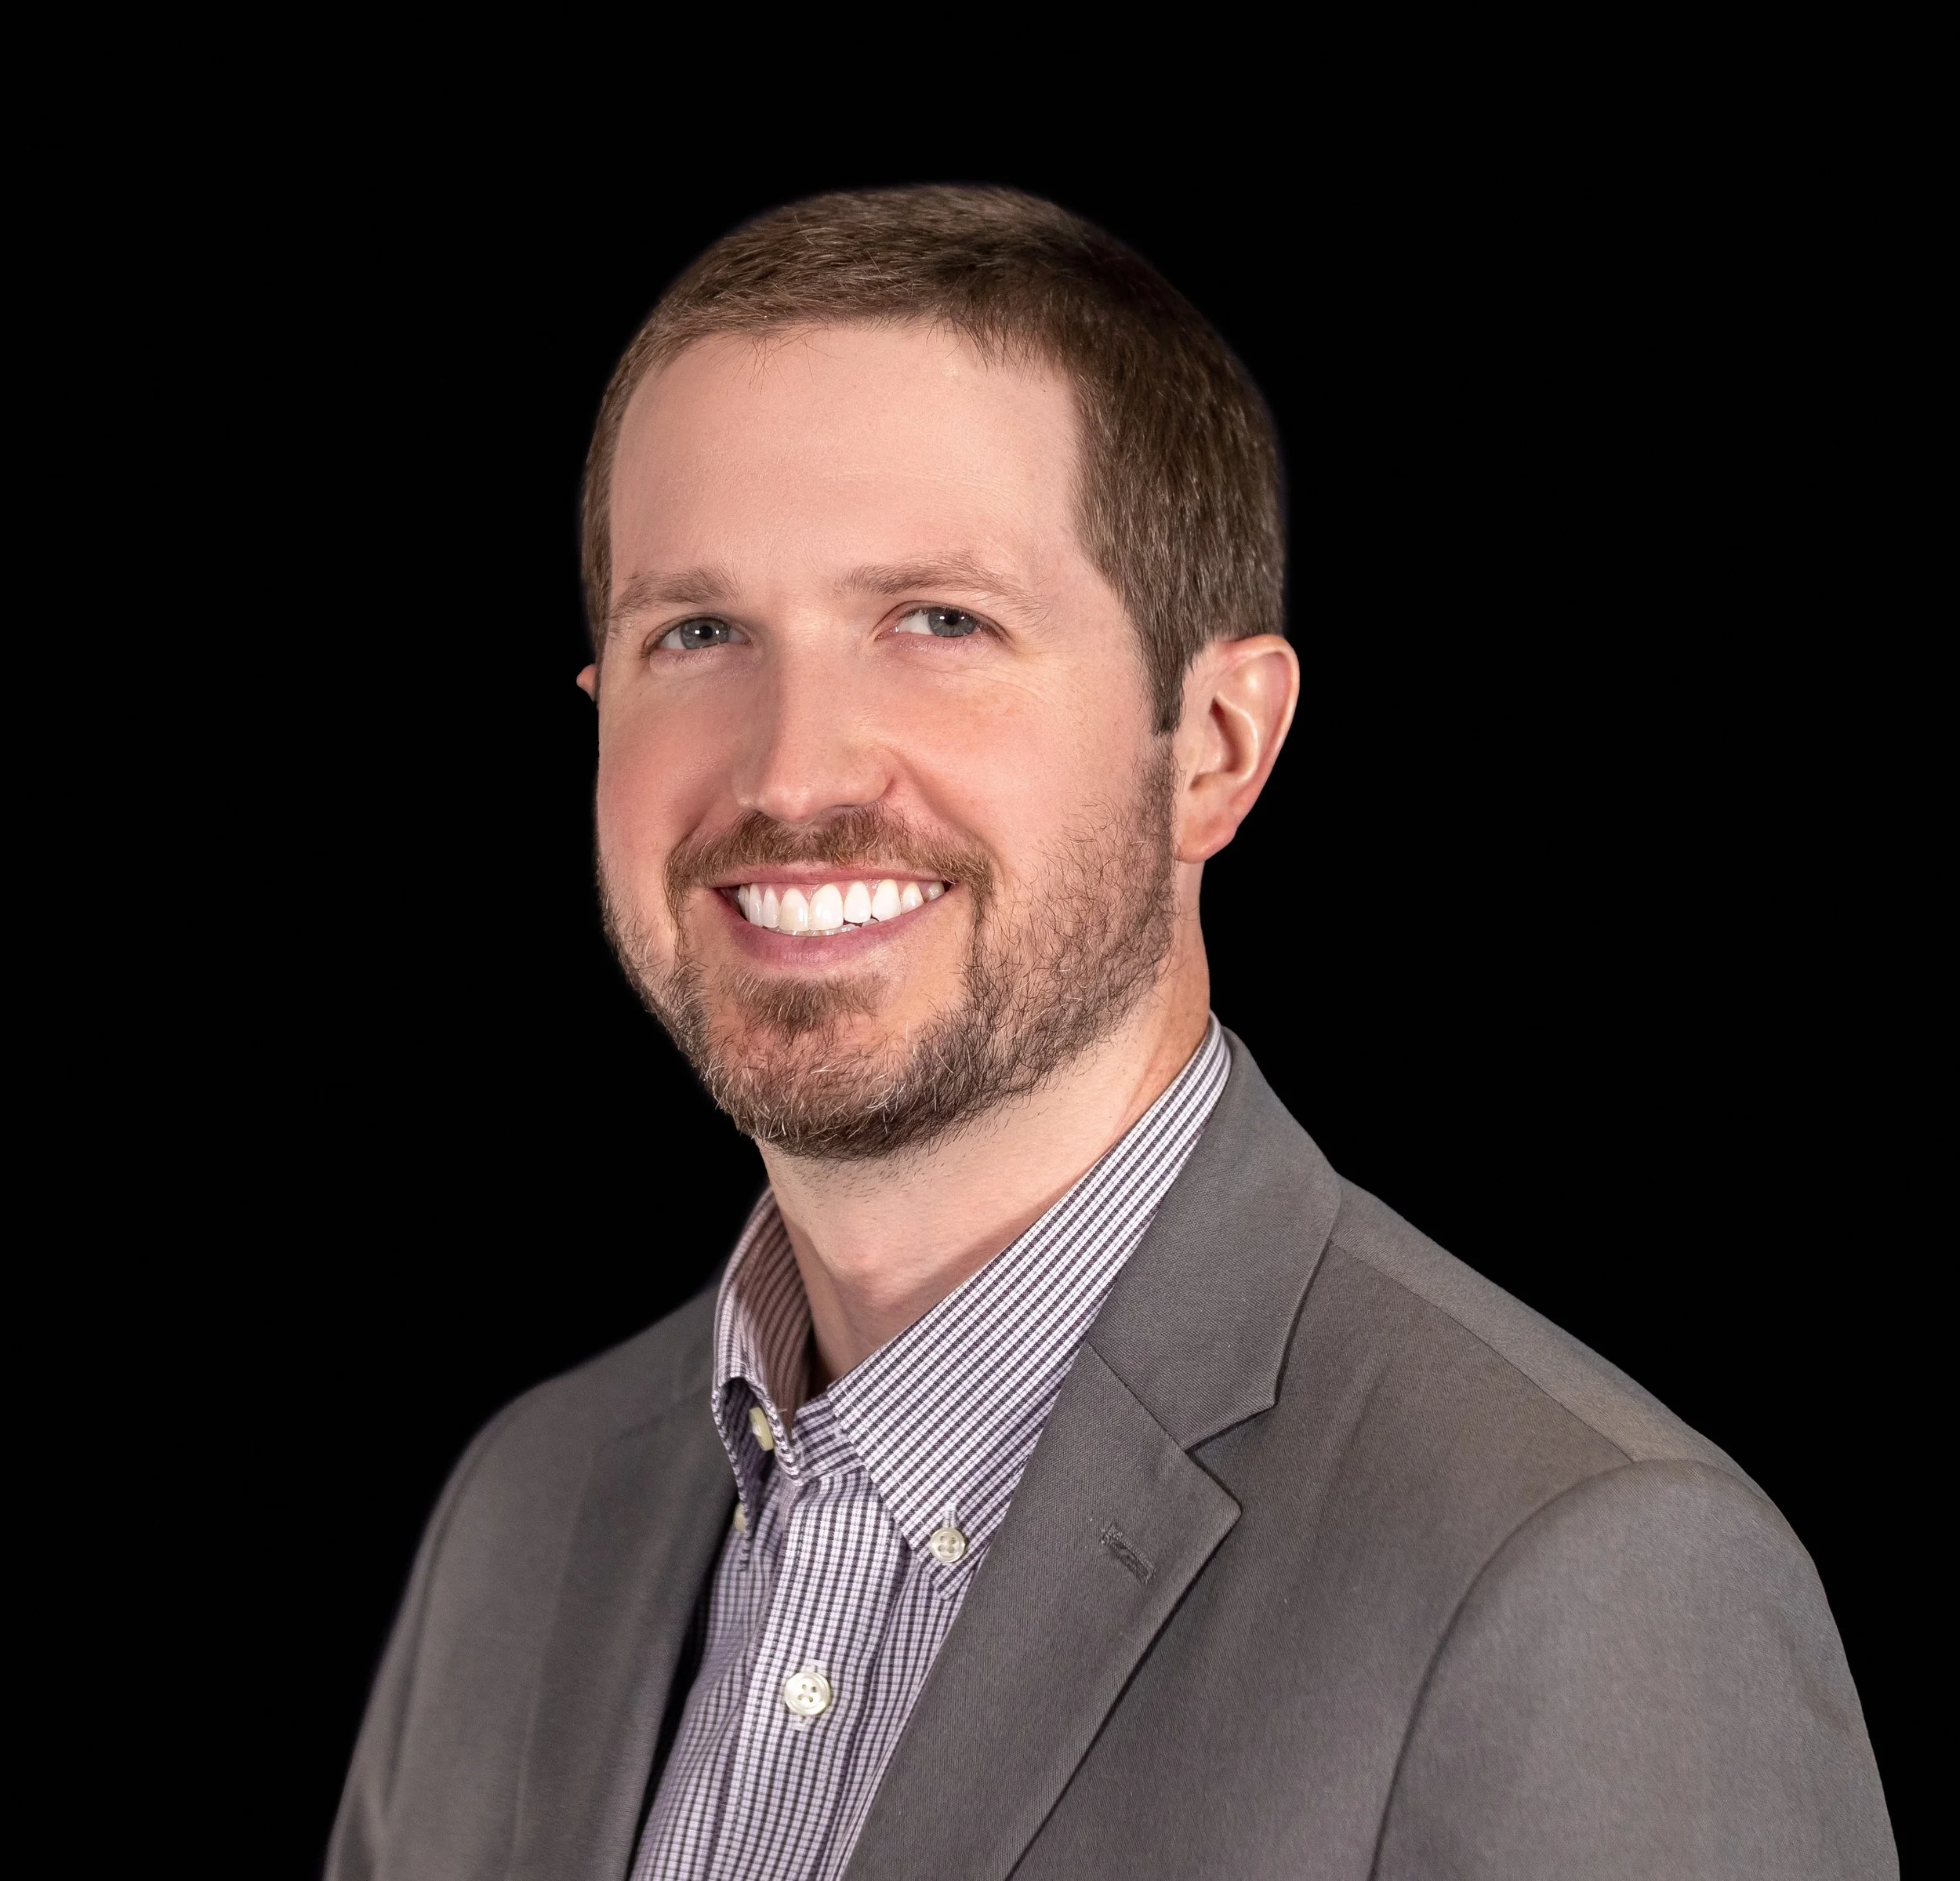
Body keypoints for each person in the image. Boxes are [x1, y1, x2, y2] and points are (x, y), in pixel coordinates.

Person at [328, 186, 1893, 1881]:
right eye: (695, 633)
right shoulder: (524, 1514)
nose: (790, 771)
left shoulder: (1578, 1574)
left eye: (937, 622)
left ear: (1216, 744)